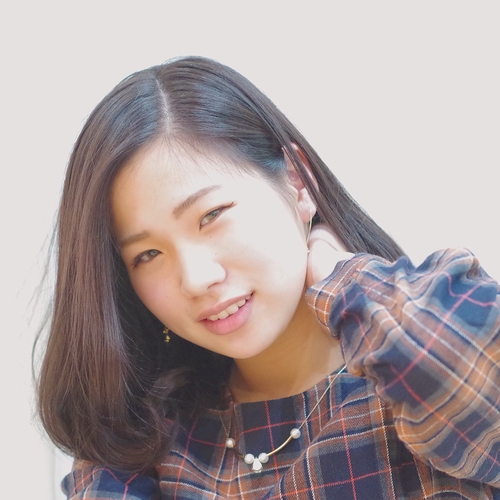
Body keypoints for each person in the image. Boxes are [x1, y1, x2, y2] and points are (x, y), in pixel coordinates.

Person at [36, 56, 500, 499]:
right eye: (148, 254)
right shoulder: (146, 437)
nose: (195, 279)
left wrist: (338, 271)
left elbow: (470, 383)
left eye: (211, 215)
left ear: (297, 181)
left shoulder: (407, 381)